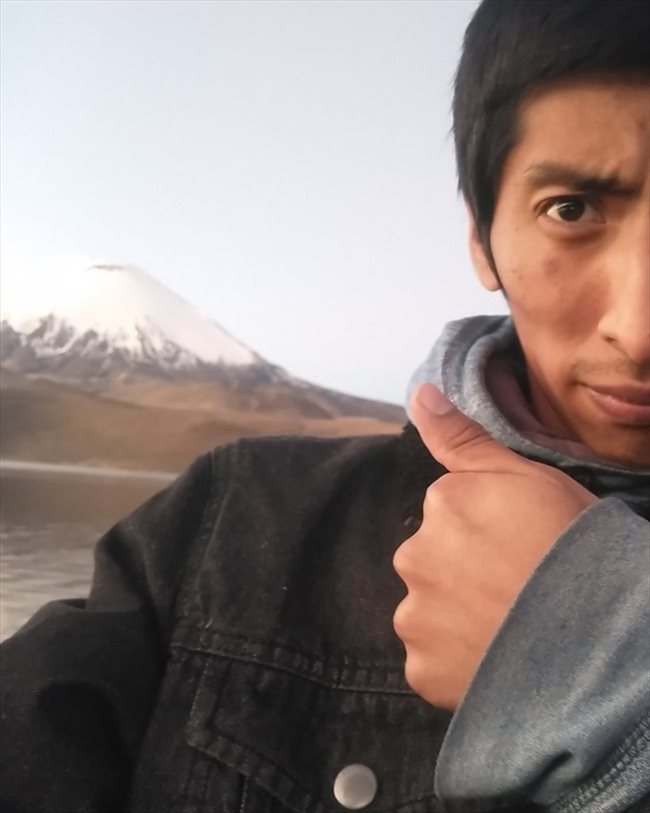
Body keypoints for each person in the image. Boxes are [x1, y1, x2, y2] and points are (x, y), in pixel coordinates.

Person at [1, 0, 648, 811]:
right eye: (571, 209)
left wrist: (616, 677)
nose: (639, 329)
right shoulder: (231, 528)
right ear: (481, 238)